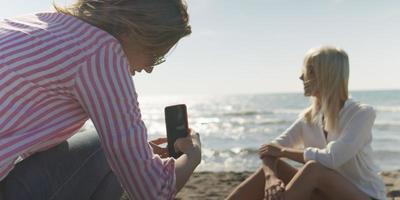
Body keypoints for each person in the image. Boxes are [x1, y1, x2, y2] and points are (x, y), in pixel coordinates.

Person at [0, 0, 202, 199]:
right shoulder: (102, 52)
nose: (149, 68)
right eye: (155, 55)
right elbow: (153, 192)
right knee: (105, 148)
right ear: (131, 30)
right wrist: (193, 156)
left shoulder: (36, 23)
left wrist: (137, 151)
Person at [226, 46, 386, 200]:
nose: (301, 77)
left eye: (310, 71)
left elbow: (332, 158)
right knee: (278, 168)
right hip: (325, 195)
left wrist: (282, 151)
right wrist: (270, 177)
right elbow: (269, 149)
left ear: (327, 75)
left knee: (314, 169)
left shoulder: (361, 113)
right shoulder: (309, 117)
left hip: (364, 195)